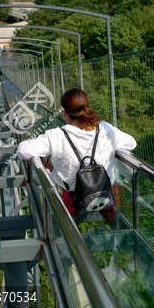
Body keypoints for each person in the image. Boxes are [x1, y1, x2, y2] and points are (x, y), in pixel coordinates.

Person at [17, 88, 137, 218]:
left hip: (73, 200)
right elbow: (131, 143)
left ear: (64, 112)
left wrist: (29, 142)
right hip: (105, 194)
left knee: (47, 164)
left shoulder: (56, 136)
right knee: (111, 219)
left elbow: (23, 151)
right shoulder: (105, 129)